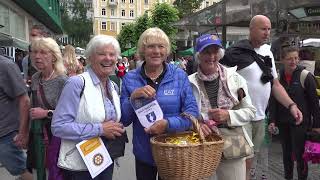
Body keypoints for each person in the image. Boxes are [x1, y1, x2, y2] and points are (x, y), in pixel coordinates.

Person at [220, 15, 303, 180]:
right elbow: (221, 81)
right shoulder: (235, 52)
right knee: (238, 160)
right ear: (251, 30)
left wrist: (291, 105)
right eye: (263, 29)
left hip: (259, 117)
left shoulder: (267, 52)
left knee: (251, 158)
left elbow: (276, 85)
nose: (267, 32)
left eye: (269, 29)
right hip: (241, 117)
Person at [120, 27, 199, 180]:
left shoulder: (179, 75)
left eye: (161, 46)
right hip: (144, 152)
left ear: (166, 50)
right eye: (151, 46)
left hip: (173, 150)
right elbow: (124, 119)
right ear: (143, 50)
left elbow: (192, 113)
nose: (156, 51)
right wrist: (133, 99)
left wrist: (168, 124)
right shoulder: (130, 78)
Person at [52, 35, 126, 179]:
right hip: (79, 166)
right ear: (90, 58)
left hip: (104, 159)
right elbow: (58, 126)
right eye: (102, 54)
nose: (108, 58)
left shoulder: (113, 86)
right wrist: (101, 129)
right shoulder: (76, 83)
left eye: (112, 54)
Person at [189, 34, 256, 180]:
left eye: (215, 52)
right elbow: (185, 112)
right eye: (207, 52)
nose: (212, 56)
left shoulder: (236, 79)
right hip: (203, 144)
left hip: (233, 144)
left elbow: (250, 112)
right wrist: (197, 124)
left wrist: (229, 115)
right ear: (199, 55)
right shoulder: (189, 82)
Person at [268, 46, 320, 180]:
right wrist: (272, 120)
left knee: (300, 155)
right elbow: (273, 100)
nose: (293, 61)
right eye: (289, 59)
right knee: (286, 154)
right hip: (283, 121)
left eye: (296, 58)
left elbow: (315, 103)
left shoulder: (305, 76)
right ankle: (288, 177)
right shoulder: (277, 77)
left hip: (301, 123)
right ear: (282, 60)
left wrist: (316, 125)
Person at [27, 37, 68, 180]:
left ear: (54, 57)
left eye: (43, 52)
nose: (37, 56)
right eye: (35, 52)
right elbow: (32, 107)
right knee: (40, 171)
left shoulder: (63, 81)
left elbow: (72, 114)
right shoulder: (36, 77)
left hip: (58, 138)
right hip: (39, 136)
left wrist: (46, 113)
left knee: (56, 174)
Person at [0, 55, 33, 180]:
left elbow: (24, 100)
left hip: (6, 132)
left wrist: (23, 132)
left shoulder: (5, 66)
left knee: (22, 169)